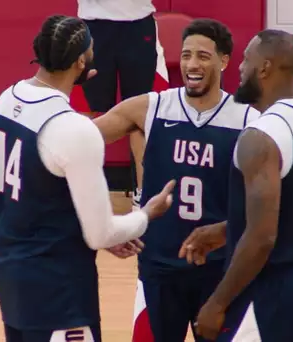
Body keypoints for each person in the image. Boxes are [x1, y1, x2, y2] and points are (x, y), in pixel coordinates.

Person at [0, 15, 175, 342]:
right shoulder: (73, 129)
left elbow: (36, 191)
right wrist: (145, 215)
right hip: (58, 289)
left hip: (8, 272)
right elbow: (100, 234)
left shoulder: (6, 100)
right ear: (80, 63)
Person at [93, 18, 259, 342]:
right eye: (186, 55)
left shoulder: (247, 120)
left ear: (224, 61)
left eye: (203, 56)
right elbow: (80, 140)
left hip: (220, 274)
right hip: (159, 270)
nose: (192, 64)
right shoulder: (152, 108)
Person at [181, 29, 293, 342]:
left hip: (270, 289)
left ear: (264, 68)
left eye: (246, 60)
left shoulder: (261, 135)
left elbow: (262, 237)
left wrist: (217, 302)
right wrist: (228, 229)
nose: (239, 68)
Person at [77, 0, 160, 205]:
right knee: (93, 111)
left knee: (139, 112)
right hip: (94, 24)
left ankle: (142, 193)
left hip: (137, 23)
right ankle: (83, 191)